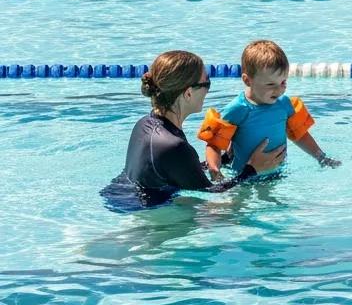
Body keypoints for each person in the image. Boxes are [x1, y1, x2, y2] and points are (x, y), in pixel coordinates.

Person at [101, 50, 285, 210]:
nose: (207, 91)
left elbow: (176, 170)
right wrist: (252, 169)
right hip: (145, 211)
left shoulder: (146, 123)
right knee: (233, 212)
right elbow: (211, 192)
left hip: (121, 197)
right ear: (188, 93)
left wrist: (227, 158)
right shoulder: (173, 146)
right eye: (207, 84)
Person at [199, 39, 339, 179]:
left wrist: (321, 157)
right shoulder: (238, 109)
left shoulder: (285, 105)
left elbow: (300, 135)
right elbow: (215, 144)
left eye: (283, 82)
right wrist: (215, 171)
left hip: (277, 174)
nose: (279, 90)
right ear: (247, 80)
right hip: (244, 177)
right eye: (271, 84)